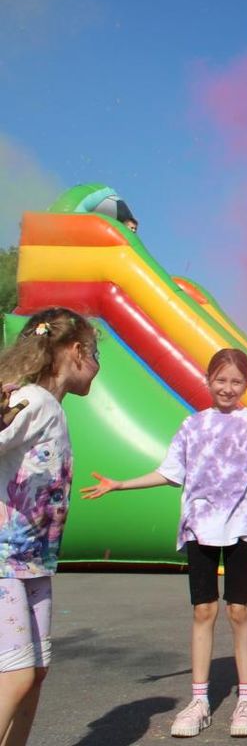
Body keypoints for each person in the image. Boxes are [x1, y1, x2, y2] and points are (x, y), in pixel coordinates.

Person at [82, 348, 247, 738]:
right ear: (208, 380)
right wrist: (119, 484)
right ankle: (199, 700)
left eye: (236, 382)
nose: (227, 388)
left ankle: (246, 700)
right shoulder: (193, 426)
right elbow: (169, 472)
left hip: (240, 526)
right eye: (220, 380)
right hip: (200, 528)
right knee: (203, 612)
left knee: (239, 611)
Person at [0, 308, 100, 746]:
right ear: (77, 352)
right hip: (4, 559)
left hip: (34, 562)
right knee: (17, 675)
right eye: (96, 355)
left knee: (36, 671)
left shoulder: (52, 410)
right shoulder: (34, 402)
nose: (97, 366)